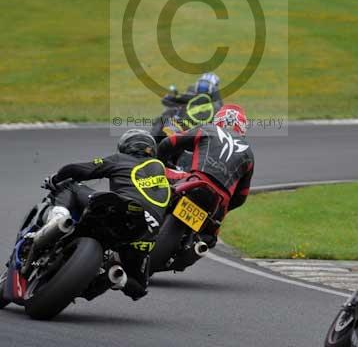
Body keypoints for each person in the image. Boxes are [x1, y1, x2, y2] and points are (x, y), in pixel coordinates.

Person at [41, 129, 170, 301]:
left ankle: (59, 218)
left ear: (125, 148)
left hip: (119, 208)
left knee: (69, 185)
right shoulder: (164, 175)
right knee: (139, 285)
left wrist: (57, 177)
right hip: (145, 232)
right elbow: (139, 291)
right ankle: (115, 277)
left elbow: (79, 169)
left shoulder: (121, 159)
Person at [156, 104, 254, 247]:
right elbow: (241, 197)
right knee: (208, 239)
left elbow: (168, 143)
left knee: (152, 174)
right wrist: (224, 207)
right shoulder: (249, 154)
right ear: (243, 127)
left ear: (217, 119)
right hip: (220, 202)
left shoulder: (208, 129)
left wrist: (160, 163)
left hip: (195, 181)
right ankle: (194, 247)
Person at [151, 73, 223, 145]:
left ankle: (151, 142)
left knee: (164, 118)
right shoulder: (217, 104)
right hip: (198, 132)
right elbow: (167, 100)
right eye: (202, 84)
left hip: (192, 131)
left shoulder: (214, 105)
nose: (203, 87)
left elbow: (167, 100)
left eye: (205, 85)